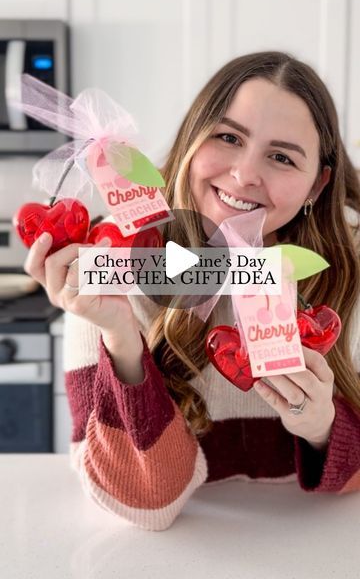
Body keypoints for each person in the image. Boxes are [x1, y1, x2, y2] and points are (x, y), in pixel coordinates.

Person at [25, 51, 360, 531]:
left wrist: (321, 428)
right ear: (191, 139)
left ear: (317, 186)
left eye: (282, 156)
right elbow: (147, 503)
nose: (245, 174)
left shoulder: (349, 277)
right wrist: (121, 337)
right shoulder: (109, 256)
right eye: (228, 137)